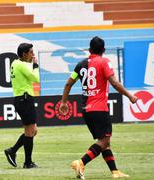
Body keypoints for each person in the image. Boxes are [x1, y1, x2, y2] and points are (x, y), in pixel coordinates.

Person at [59, 36, 138, 179]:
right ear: (104, 50)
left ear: (89, 50)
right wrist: (130, 96)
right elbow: (114, 83)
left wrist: (64, 102)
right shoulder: (104, 62)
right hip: (99, 108)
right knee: (104, 141)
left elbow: (68, 83)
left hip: (86, 110)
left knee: (104, 142)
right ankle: (81, 162)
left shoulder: (80, 65)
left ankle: (115, 171)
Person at [4, 43, 40, 169]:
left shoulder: (15, 63)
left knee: (33, 131)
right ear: (24, 54)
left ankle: (12, 151)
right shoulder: (21, 64)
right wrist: (35, 65)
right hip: (24, 99)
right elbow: (35, 78)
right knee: (30, 131)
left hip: (22, 99)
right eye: (31, 52)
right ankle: (27, 162)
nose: (33, 55)